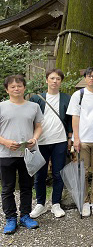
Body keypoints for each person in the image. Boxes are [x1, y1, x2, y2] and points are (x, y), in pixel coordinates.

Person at [0, 74, 43, 235]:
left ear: (24, 88)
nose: (16, 89)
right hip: (5, 154)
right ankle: (10, 218)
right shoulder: (1, 106)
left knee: (26, 187)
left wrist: (34, 138)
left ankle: (25, 216)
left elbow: (38, 127)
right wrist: (5, 142)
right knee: (7, 188)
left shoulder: (33, 107)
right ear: (7, 89)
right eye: (12, 86)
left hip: (27, 153)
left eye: (19, 86)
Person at [29, 68, 72, 219]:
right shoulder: (37, 99)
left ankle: (56, 204)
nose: (55, 81)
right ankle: (40, 204)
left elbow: (70, 120)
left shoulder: (67, 98)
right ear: (47, 80)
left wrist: (70, 137)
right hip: (40, 141)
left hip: (59, 141)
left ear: (61, 81)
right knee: (39, 174)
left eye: (58, 79)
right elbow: (30, 119)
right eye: (52, 78)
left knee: (58, 173)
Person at [66, 66, 93, 216]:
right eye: (89, 76)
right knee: (83, 172)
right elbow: (75, 116)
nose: (91, 78)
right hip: (83, 139)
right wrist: (76, 138)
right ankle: (84, 201)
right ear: (85, 78)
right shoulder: (78, 95)